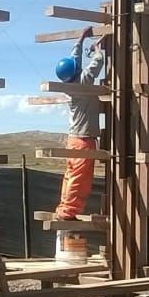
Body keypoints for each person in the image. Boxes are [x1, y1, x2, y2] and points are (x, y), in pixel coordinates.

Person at [54, 27, 106, 220]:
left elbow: (73, 58)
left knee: (71, 175)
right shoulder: (82, 82)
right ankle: (68, 212)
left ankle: (64, 208)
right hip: (83, 140)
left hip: (74, 139)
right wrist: (98, 49)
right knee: (79, 179)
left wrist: (81, 38)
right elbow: (97, 62)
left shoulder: (69, 82)